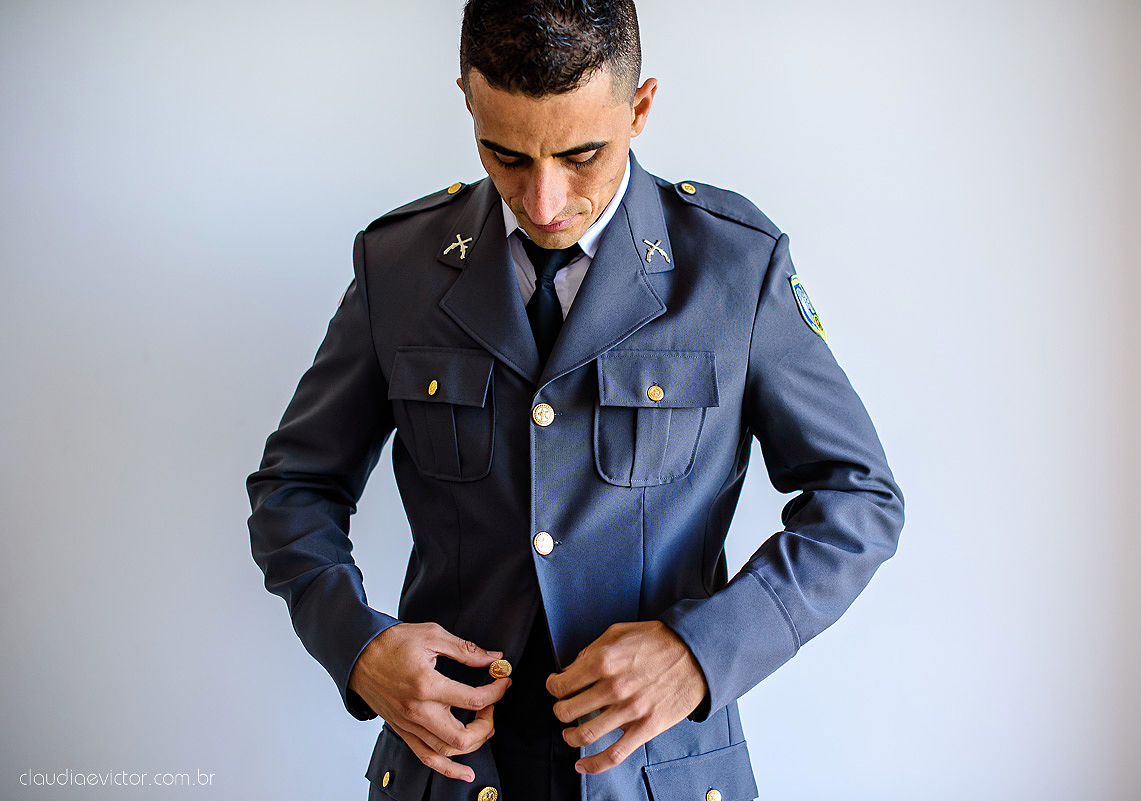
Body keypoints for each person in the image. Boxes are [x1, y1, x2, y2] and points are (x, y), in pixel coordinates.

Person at [247, 1, 904, 799]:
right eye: (506, 155)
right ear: (466, 99)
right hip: (450, 771)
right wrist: (357, 645)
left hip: (659, 769)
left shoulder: (736, 265)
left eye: (582, 154)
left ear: (641, 108)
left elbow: (858, 497)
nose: (545, 201)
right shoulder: (400, 266)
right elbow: (294, 488)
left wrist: (703, 652)